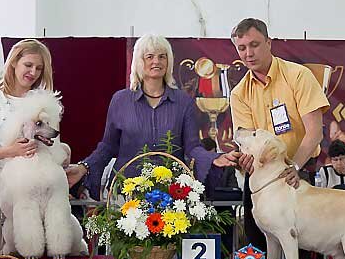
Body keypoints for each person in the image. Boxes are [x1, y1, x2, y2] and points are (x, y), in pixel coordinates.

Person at [65, 35, 240, 198]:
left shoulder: (184, 102)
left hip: (171, 193)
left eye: (162, 56)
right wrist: (83, 167)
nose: (156, 61)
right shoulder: (120, 100)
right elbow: (108, 147)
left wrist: (215, 158)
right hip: (126, 192)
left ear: (169, 61)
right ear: (139, 62)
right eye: (149, 56)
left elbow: (193, 148)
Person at [229, 18, 330, 259]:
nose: (248, 53)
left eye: (254, 45)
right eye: (241, 48)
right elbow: (247, 142)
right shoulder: (239, 93)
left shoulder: (298, 76)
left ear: (269, 43)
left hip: (299, 166)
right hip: (262, 178)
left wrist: (294, 167)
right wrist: (244, 161)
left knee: (306, 247)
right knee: (256, 239)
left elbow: (314, 133)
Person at [0, 39, 53, 254]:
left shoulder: (45, 101)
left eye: (39, 68)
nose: (33, 72)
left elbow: (54, 143)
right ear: (13, 63)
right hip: (1, 187)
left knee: (36, 253)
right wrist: (11, 151)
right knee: (4, 254)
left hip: (38, 189)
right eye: (28, 65)